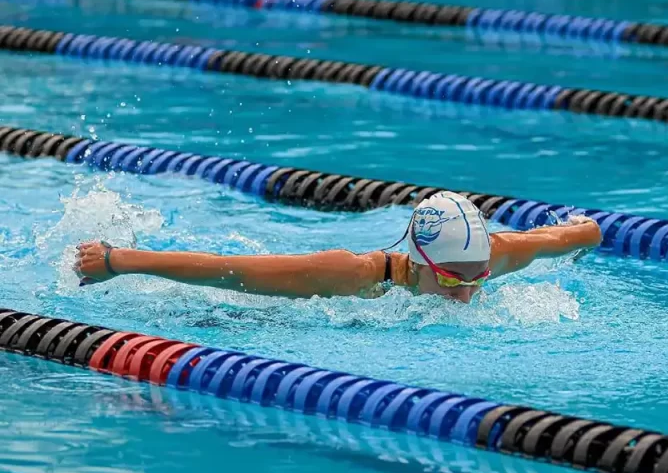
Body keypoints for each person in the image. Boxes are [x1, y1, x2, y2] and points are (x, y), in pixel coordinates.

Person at [74, 192, 602, 303]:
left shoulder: (491, 256)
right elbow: (227, 270)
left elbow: (566, 236)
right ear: (421, 260)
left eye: (477, 277)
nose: (467, 291)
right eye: (451, 278)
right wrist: (119, 260)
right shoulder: (348, 275)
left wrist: (585, 232)